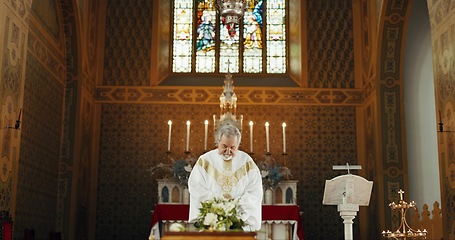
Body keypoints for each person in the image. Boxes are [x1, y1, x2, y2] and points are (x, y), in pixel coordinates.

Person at [188, 124, 263, 231]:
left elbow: (255, 192)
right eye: (224, 146)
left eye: (232, 147)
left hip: (239, 223)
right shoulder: (205, 161)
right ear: (218, 142)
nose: (228, 151)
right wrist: (217, 206)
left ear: (238, 145)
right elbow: (196, 187)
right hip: (212, 224)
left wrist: (235, 208)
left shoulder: (247, 162)